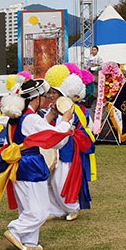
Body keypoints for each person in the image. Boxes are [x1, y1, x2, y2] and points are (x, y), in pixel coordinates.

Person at [0, 79, 73, 250]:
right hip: (30, 164)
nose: (48, 99)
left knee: (27, 206)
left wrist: (51, 115)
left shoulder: (19, 116)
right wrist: (65, 119)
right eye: (45, 96)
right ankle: (16, 230)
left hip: (20, 165)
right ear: (37, 98)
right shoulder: (31, 118)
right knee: (40, 210)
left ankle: (30, 241)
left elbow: (38, 130)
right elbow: (54, 137)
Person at [44, 65, 95, 222]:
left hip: (67, 150)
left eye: (54, 92)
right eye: (50, 92)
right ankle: (56, 209)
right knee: (50, 181)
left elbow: (86, 128)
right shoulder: (53, 109)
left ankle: (72, 207)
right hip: (54, 148)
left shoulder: (72, 109)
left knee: (62, 180)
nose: (51, 95)